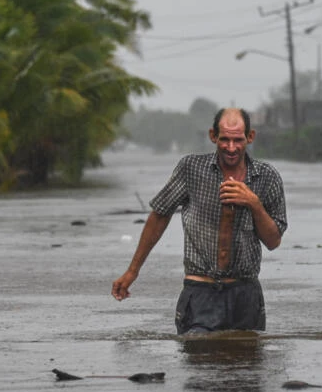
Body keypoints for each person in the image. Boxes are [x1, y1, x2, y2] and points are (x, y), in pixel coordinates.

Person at [111, 107, 287, 334]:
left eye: (238, 140)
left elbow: (273, 241)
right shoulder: (191, 169)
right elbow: (159, 215)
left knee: (246, 365)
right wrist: (132, 271)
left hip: (246, 293)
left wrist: (253, 203)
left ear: (250, 137)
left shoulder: (267, 177)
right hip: (200, 291)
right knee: (199, 361)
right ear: (213, 136)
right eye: (224, 139)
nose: (231, 148)